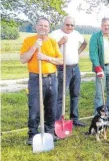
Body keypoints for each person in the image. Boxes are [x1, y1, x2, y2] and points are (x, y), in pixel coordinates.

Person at [20, 17, 63, 145]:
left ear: (49, 29)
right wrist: (35, 47)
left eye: (46, 26)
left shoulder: (53, 42)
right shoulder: (28, 40)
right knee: (34, 108)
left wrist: (45, 57)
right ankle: (32, 135)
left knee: (51, 107)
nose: (43, 28)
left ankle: (50, 132)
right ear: (36, 27)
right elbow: (23, 59)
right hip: (35, 79)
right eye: (41, 25)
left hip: (51, 79)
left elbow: (61, 60)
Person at [50, 16, 87, 127]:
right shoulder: (55, 34)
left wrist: (77, 53)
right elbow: (50, 49)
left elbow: (85, 43)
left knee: (75, 94)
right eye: (67, 24)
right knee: (61, 96)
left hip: (75, 68)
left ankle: (74, 119)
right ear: (63, 24)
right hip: (62, 68)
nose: (70, 27)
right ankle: (58, 121)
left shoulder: (76, 34)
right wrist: (60, 43)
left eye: (72, 25)